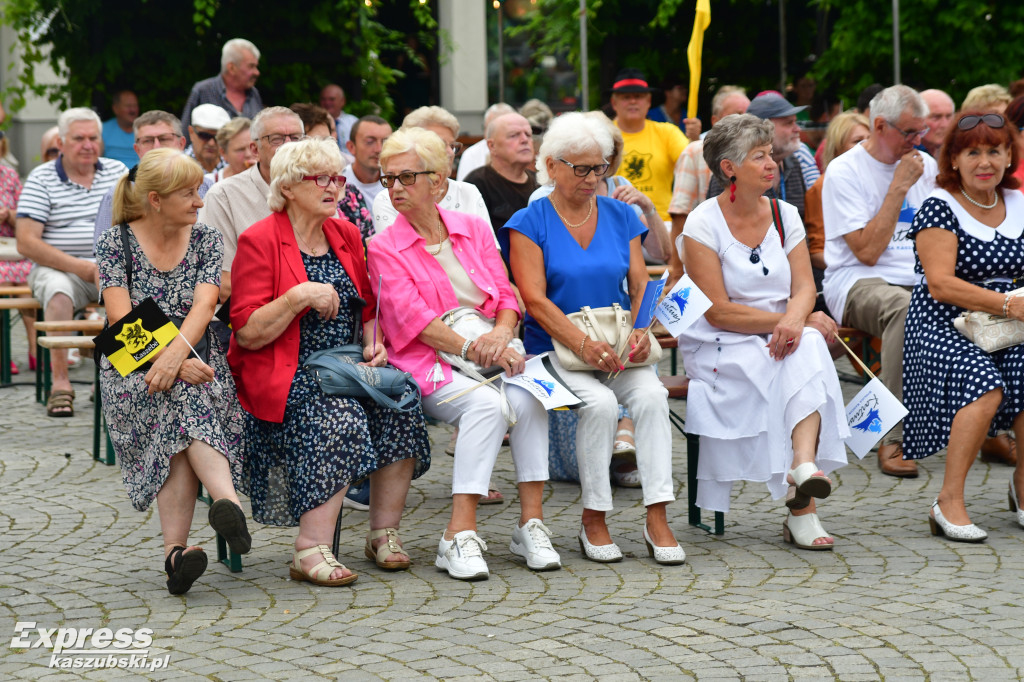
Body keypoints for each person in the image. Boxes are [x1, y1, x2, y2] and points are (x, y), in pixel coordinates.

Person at [229, 137, 430, 586]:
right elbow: (247, 330)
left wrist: (373, 340)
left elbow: (369, 307)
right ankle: (309, 548)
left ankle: (383, 533)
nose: (334, 187)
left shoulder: (345, 233)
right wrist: (298, 296)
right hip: (289, 372)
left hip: (348, 365)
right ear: (288, 187)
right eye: (320, 178)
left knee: (401, 401)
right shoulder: (260, 240)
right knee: (339, 417)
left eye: (338, 178)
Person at [367, 127, 556, 580]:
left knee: (531, 397)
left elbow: (508, 296)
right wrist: (477, 347)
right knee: (489, 406)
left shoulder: (471, 228)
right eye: (387, 178)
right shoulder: (383, 247)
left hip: (494, 349)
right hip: (427, 364)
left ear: (438, 181)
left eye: (406, 177)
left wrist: (504, 335)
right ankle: (458, 534)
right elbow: (412, 322)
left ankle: (531, 524)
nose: (395, 189)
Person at [502, 112, 685, 566]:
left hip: (619, 344)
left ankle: (657, 515)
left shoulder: (623, 215)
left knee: (654, 398)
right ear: (551, 165)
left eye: (599, 167)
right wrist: (584, 345)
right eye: (580, 168)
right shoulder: (530, 220)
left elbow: (641, 285)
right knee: (602, 406)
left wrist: (643, 331)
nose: (591, 177)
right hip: (556, 350)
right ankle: (594, 516)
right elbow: (535, 300)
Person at [679, 113, 850, 550]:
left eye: (771, 154)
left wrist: (796, 320)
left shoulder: (784, 212)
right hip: (722, 342)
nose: (772, 163)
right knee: (798, 353)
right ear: (729, 168)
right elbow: (717, 312)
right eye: (759, 156)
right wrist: (789, 320)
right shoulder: (702, 223)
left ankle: (803, 467)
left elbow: (805, 285)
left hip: (783, 334)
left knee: (809, 344)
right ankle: (801, 506)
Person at [96, 148, 248, 595]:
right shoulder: (114, 243)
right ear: (156, 200)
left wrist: (177, 360)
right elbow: (122, 321)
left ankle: (175, 555)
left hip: (192, 358)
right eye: (189, 192)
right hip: (132, 366)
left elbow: (206, 304)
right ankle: (227, 501)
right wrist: (173, 364)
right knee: (181, 397)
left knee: (181, 406)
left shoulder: (205, 239)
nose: (200, 201)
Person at [903, 112, 1024, 542]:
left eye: (995, 150)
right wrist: (1009, 302)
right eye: (972, 151)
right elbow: (940, 285)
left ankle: (1023, 486)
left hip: (1007, 324)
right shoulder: (939, 206)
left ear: (1010, 155)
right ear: (952, 159)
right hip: (942, 323)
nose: (985, 161)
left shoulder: (1020, 203)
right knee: (985, 383)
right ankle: (948, 500)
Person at [822, 85, 938, 477]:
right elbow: (867, 251)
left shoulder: (928, 164)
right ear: (880, 125)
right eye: (909, 133)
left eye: (921, 132)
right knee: (904, 309)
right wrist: (899, 186)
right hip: (859, 281)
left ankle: (990, 428)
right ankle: (893, 436)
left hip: (921, 277)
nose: (918, 141)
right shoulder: (844, 170)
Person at [15, 107, 128, 418]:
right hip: (60, 268)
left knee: (138, 291)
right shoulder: (42, 177)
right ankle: (61, 383)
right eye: (79, 138)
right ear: (61, 143)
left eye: (93, 138)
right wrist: (82, 267)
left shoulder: (117, 171)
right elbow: (26, 241)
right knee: (59, 290)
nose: (88, 145)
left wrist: (108, 265)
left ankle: (114, 381)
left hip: (110, 265)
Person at [199, 106, 305, 302]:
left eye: (296, 138)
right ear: (255, 149)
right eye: (277, 139)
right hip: (244, 318)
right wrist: (289, 304)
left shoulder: (320, 189)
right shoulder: (223, 196)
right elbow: (218, 280)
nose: (289, 146)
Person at [666, 85, 751, 284]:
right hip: (704, 260)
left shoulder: (758, 156)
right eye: (737, 114)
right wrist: (678, 274)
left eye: (748, 114)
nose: (745, 121)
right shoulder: (695, 152)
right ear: (715, 121)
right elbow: (680, 215)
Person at [372, 106, 491, 236]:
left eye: (452, 145)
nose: (450, 153)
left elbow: (490, 251)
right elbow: (397, 251)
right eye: (440, 144)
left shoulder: (468, 192)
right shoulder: (390, 198)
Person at [93, 111, 195, 246]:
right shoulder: (119, 193)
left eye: (164, 139)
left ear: (181, 144)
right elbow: (102, 254)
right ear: (137, 149)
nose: (156, 147)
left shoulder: (205, 187)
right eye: (147, 141)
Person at [610, 68, 692, 223]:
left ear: (648, 101)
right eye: (626, 97)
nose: (633, 101)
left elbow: (692, 162)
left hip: (663, 221)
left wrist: (694, 142)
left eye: (638, 96)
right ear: (614, 103)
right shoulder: (603, 136)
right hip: (616, 223)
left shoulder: (667, 133)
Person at [804, 111, 871, 273]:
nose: (866, 146)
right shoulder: (822, 186)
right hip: (851, 274)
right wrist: (855, 265)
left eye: (870, 139)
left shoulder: (884, 179)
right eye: (857, 141)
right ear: (837, 148)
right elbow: (817, 253)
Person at [463, 112, 539, 234]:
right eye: (514, 135)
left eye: (528, 134)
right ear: (492, 146)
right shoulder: (476, 185)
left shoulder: (541, 183)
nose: (525, 140)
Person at [181, 38, 263, 130]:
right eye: (251, 66)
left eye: (256, 66)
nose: (257, 72)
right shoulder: (203, 91)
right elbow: (186, 133)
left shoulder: (254, 94)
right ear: (231, 68)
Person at [0, 160, 32, 373]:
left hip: (12, 251)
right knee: (4, 278)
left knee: (29, 275)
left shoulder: (8, 174)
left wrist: (8, 215)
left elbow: (26, 217)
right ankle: (3, 353)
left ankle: (36, 349)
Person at [456, 103, 515, 181]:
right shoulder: (471, 155)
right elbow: (463, 189)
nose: (490, 133)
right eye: (489, 128)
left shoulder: (522, 152)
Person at [344, 115, 392, 208]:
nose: (379, 149)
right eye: (370, 141)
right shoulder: (339, 184)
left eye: (385, 142)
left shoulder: (398, 182)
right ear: (351, 147)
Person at [185, 104, 231, 174]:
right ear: (191, 133)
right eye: (204, 136)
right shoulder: (176, 167)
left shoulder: (234, 166)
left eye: (218, 137)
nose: (211, 143)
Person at [209, 117, 255, 184]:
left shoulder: (270, 180)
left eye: (253, 147)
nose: (248, 154)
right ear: (223, 153)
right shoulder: (208, 183)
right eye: (240, 150)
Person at [101, 90, 140, 167]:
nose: (132, 110)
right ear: (115, 109)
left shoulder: (145, 131)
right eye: (128, 106)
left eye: (135, 106)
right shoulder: (102, 130)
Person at [319, 84, 358, 150]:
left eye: (331, 99)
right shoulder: (314, 122)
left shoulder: (353, 122)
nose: (327, 103)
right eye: (323, 99)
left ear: (342, 101)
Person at [919, 89, 955, 157]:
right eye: (936, 117)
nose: (945, 125)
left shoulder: (956, 153)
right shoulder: (903, 156)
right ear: (918, 119)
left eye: (948, 116)